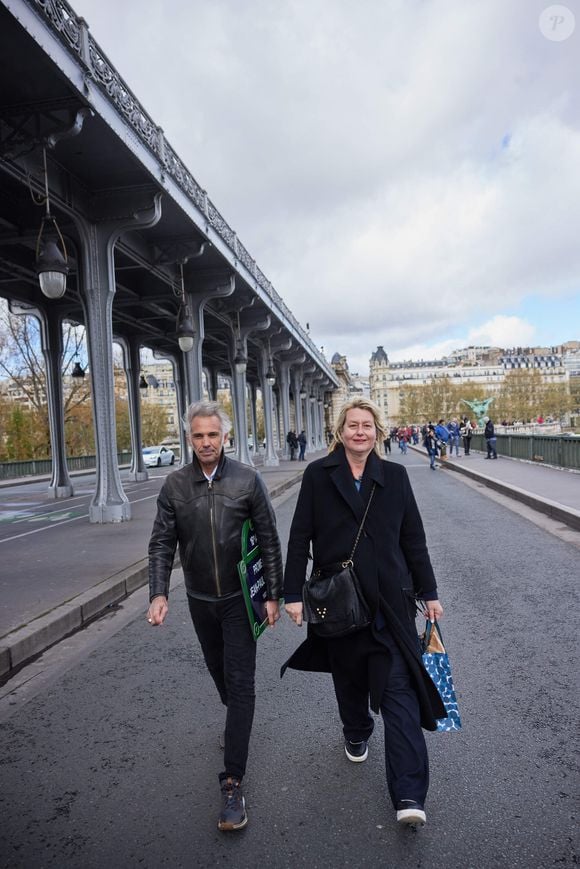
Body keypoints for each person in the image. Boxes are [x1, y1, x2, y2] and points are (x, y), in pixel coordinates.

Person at [282, 397, 445, 828]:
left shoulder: (395, 475)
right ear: (340, 431)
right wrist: (292, 594)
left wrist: (429, 592)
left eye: (367, 426)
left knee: (400, 693)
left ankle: (409, 793)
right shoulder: (319, 475)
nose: (359, 432)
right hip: (338, 602)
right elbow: (300, 536)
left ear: (378, 432)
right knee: (350, 680)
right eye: (352, 425)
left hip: (390, 603)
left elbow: (414, 538)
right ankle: (356, 730)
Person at [147, 400, 283, 831]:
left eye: (213, 435)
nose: (206, 442)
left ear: (226, 437)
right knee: (220, 674)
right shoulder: (174, 487)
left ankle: (233, 783)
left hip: (241, 600)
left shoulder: (248, 480)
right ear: (190, 438)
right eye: (198, 435)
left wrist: (274, 595)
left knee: (241, 684)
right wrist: (158, 593)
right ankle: (235, 721)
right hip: (200, 599)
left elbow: (269, 538)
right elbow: (161, 544)